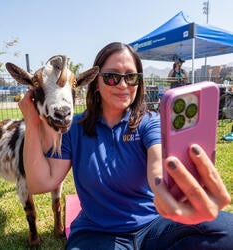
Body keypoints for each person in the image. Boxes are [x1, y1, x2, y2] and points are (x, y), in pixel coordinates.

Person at [19, 42, 233, 250]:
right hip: (97, 233)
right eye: (112, 77)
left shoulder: (150, 122)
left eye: (131, 77)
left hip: (155, 225)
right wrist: (31, 121)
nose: (123, 85)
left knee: (225, 230)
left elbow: (157, 166)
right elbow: (40, 183)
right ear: (96, 83)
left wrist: (164, 193)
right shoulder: (75, 128)